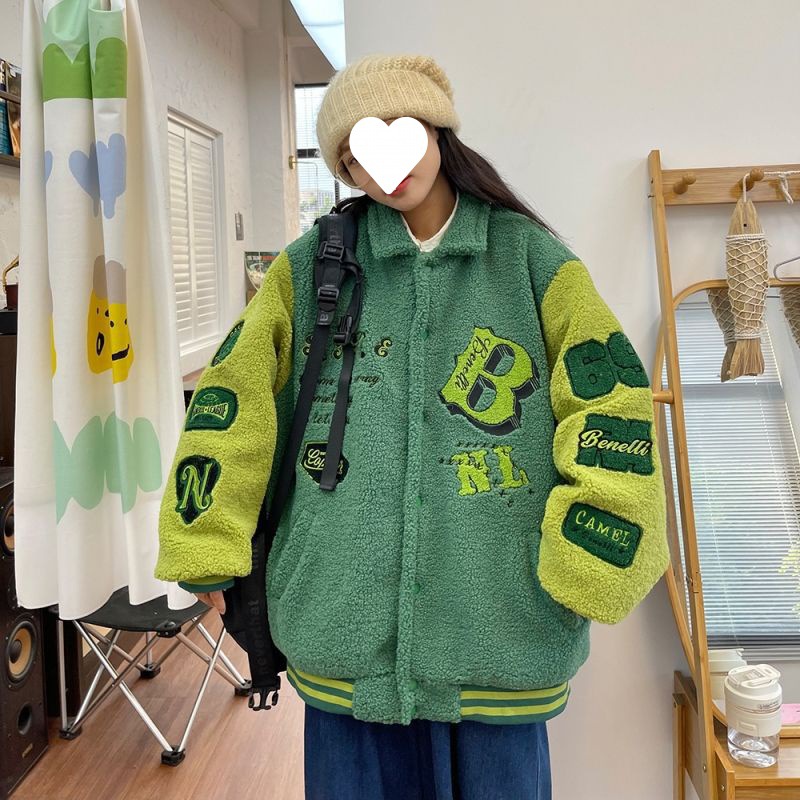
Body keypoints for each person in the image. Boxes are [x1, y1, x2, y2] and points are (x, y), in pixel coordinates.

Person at [154, 53, 670, 800]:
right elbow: (234, 398)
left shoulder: (529, 259)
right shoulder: (313, 267)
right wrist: (207, 541)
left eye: (397, 132)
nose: (384, 167)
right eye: (357, 155)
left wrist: (588, 557)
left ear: (436, 127)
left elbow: (612, 401)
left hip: (501, 626)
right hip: (344, 628)